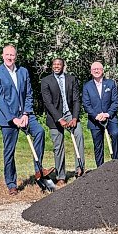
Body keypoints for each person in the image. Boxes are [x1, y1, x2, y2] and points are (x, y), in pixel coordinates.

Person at [0, 44, 53, 195]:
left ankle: (39, 172)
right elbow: (0, 99)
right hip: (7, 118)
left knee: (39, 132)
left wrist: (25, 113)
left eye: (12, 55)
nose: (10, 58)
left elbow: (29, 94)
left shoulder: (23, 71)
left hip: (25, 115)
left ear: (16, 56)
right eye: (7, 55)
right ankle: (11, 183)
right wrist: (13, 118)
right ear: (2, 56)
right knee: (9, 151)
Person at [41, 58, 85, 186]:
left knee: (79, 136)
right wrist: (59, 119)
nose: (57, 66)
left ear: (63, 66)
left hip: (70, 113)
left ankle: (80, 170)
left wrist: (75, 117)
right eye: (54, 64)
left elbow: (76, 100)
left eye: (59, 64)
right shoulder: (46, 81)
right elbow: (47, 103)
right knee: (58, 145)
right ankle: (61, 176)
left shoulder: (71, 79)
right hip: (55, 116)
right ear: (52, 66)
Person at [82, 61, 118, 167]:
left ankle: (116, 164)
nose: (96, 70)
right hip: (95, 120)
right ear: (91, 71)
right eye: (94, 69)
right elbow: (86, 104)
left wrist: (107, 114)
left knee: (115, 134)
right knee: (98, 144)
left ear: (102, 70)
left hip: (110, 117)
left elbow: (115, 101)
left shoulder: (110, 83)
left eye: (98, 68)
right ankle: (100, 168)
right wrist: (96, 116)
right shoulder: (87, 86)